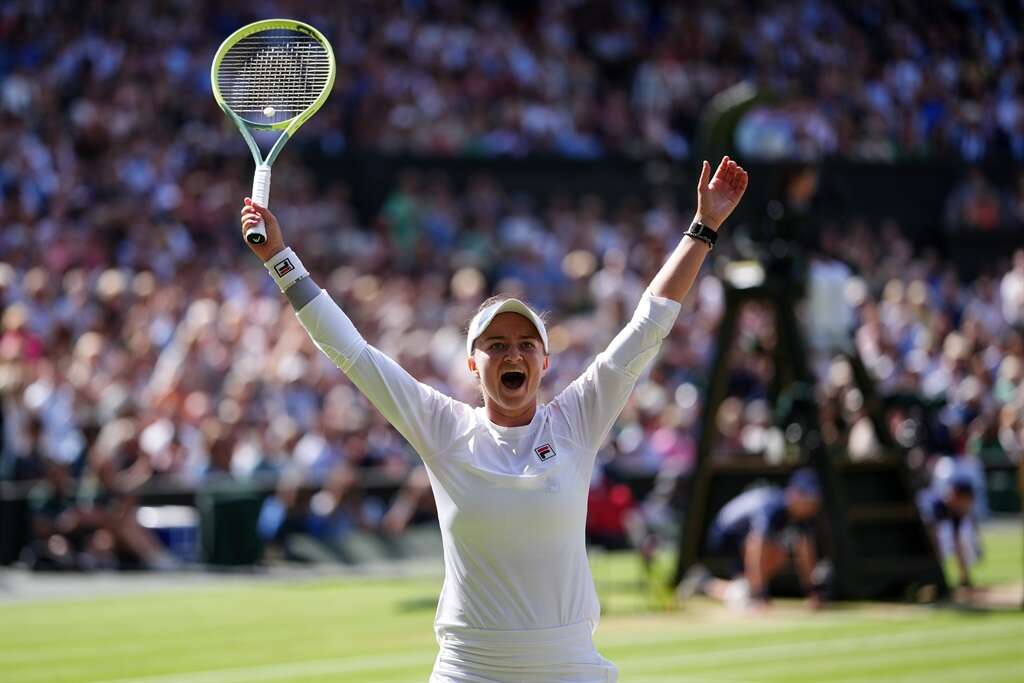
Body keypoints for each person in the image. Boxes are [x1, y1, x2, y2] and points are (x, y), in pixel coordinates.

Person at [240, 156, 748, 682]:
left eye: (527, 345)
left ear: (545, 362)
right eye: (496, 345)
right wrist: (279, 256)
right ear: (471, 363)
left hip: (569, 668)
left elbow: (648, 325)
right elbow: (352, 352)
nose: (513, 355)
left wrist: (703, 228)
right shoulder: (443, 427)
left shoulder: (577, 418)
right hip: (469, 670)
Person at [680, 469, 824, 610]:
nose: (813, 505)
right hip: (725, 537)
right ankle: (748, 593)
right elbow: (755, 546)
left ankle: (705, 584)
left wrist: (813, 591)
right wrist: (759, 593)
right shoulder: (773, 506)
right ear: (795, 494)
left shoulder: (802, 517)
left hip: (742, 541)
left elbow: (806, 552)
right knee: (776, 553)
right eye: (809, 499)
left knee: (776, 558)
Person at [917, 476, 979, 590]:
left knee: (962, 539)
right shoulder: (935, 504)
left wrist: (965, 577)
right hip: (914, 540)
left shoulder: (956, 511)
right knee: (942, 538)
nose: (966, 505)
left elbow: (958, 544)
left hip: (929, 540)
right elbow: (932, 538)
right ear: (955, 495)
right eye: (965, 500)